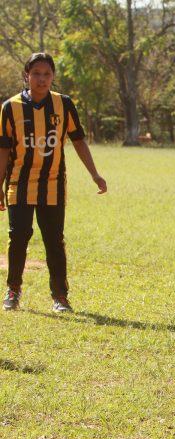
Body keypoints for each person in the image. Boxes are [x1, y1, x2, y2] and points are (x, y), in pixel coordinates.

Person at [0, 52, 107, 313]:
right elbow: (3, 149)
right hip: (19, 181)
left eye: (47, 74)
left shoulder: (64, 104)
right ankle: (13, 290)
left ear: (53, 77)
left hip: (53, 184)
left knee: (54, 240)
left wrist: (94, 173)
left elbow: (78, 140)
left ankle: (60, 296)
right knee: (19, 236)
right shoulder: (10, 107)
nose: (41, 79)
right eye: (36, 73)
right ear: (26, 76)